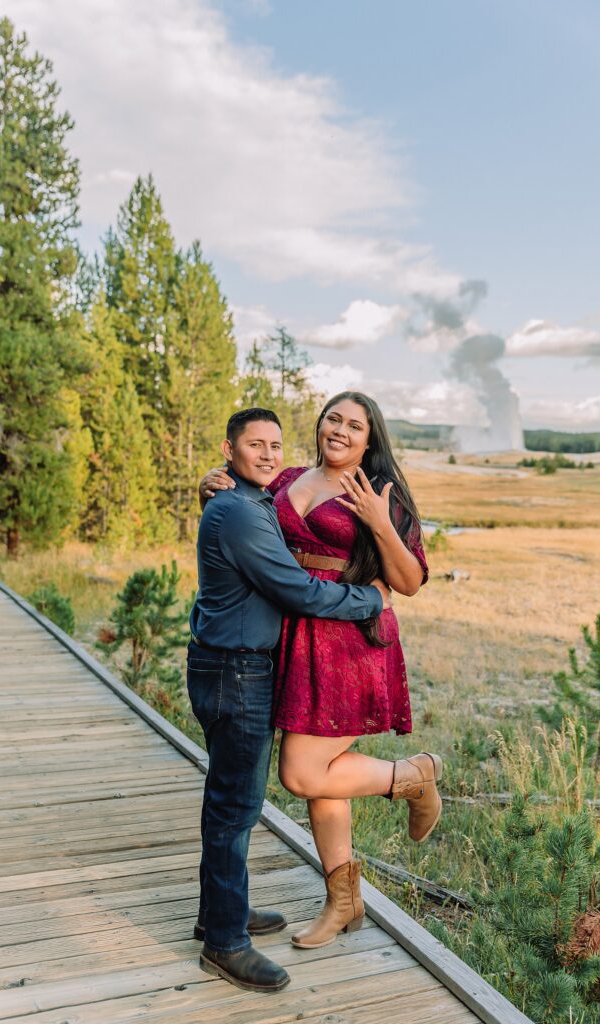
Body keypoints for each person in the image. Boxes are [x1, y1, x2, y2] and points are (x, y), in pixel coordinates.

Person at [200, 392, 442, 952]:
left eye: (354, 425)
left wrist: (381, 524)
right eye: (333, 418)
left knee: (303, 772)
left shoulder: (380, 493)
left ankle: (414, 775)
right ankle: (343, 903)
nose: (340, 430)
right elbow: (244, 514)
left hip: (350, 639)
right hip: (295, 633)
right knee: (325, 773)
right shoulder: (285, 478)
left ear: (369, 438)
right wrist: (213, 486)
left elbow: (407, 582)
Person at [188, 406, 391, 994]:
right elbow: (295, 589)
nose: (270, 455)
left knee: (228, 800)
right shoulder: (239, 512)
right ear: (230, 451)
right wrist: (371, 602)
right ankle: (225, 943)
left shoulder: (249, 502)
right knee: (235, 807)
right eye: (255, 445)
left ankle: (219, 911)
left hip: (232, 666)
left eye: (276, 445)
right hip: (236, 672)